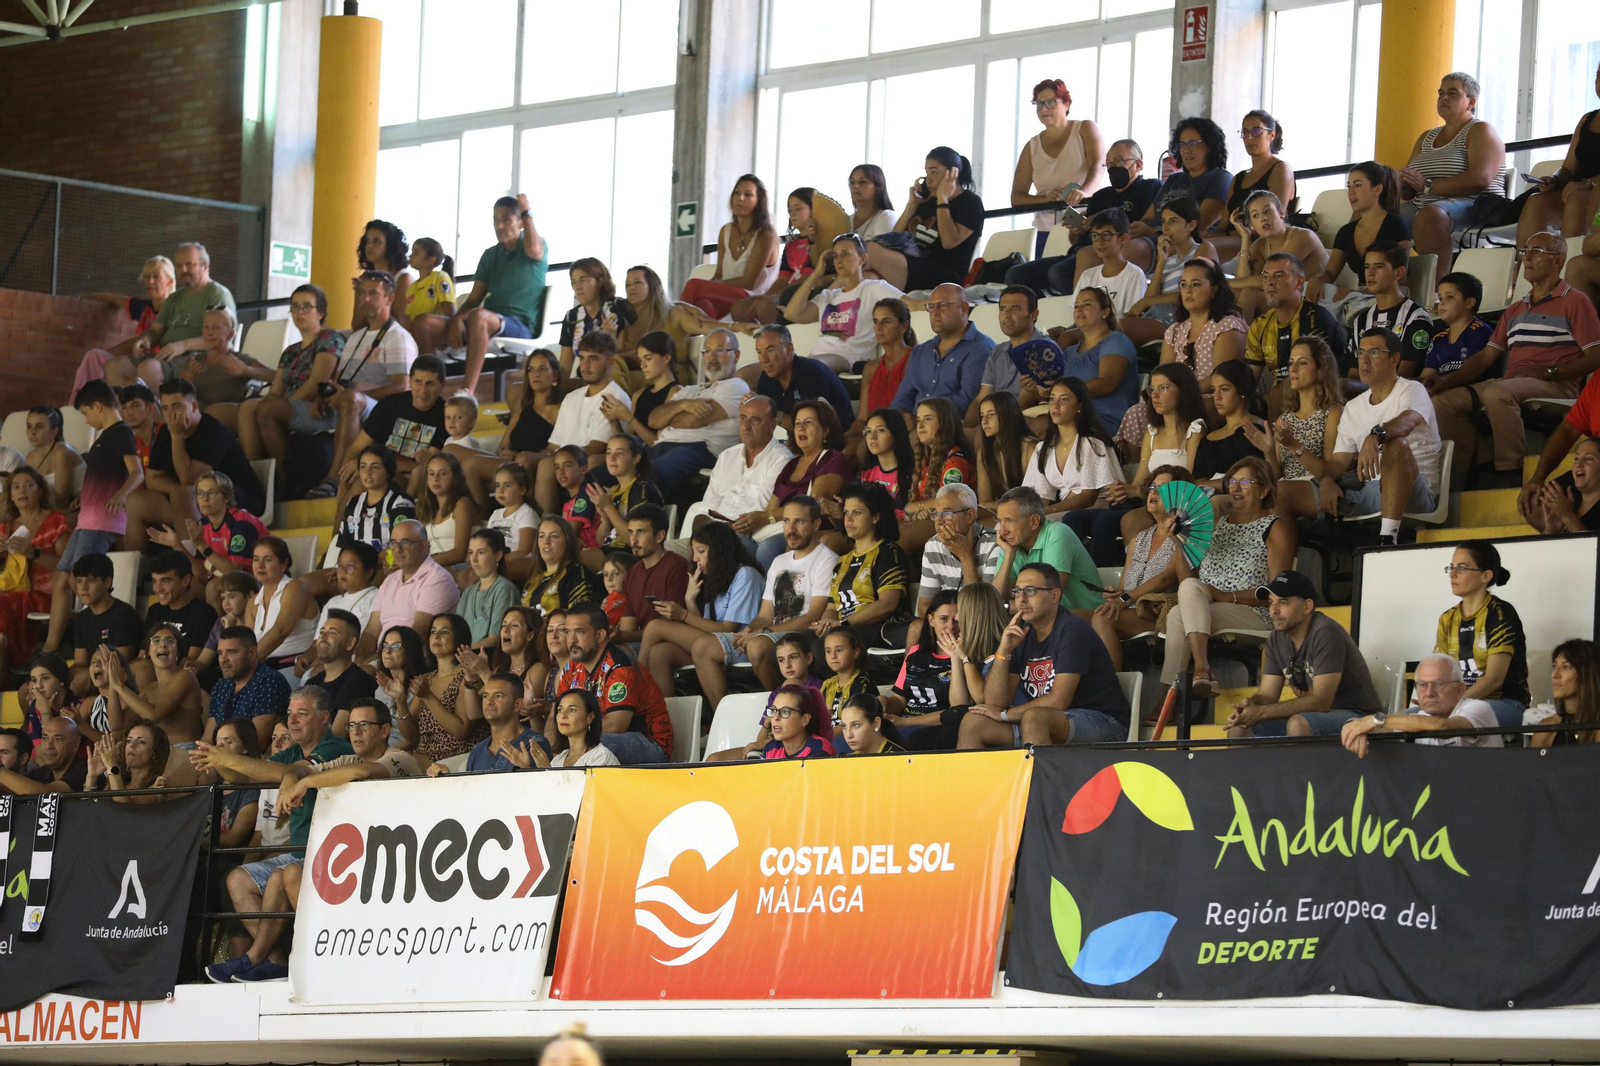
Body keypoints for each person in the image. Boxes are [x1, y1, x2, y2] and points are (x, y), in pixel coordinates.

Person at [194, 685, 353, 984]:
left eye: (302, 714)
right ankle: (276, 960)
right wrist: (218, 761)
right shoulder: (291, 752)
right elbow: (246, 776)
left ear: (324, 717)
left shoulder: (336, 747)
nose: (292, 720)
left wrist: (227, 759)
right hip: (298, 853)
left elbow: (292, 772)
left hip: (328, 855)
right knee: (237, 879)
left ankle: (261, 958)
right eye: (290, 714)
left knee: (279, 876)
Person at [1436, 233, 1600, 488]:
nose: (1527, 258)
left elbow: (1596, 355)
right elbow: (1486, 356)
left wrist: (1550, 371)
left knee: (1497, 393)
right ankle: (1475, 467)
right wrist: (1445, 382)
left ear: (1558, 260)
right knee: (1442, 402)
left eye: (1537, 251)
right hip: (1512, 382)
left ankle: (1510, 472)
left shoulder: (1575, 301)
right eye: (1525, 251)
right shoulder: (1515, 309)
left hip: (1556, 384)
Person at [1158, 457, 1294, 697]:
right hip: (1210, 606)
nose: (1235, 488)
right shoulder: (1219, 524)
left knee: (1179, 614)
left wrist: (1225, 596)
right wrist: (1178, 543)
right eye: (1231, 481)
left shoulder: (1275, 527)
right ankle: (1196, 676)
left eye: (1245, 482)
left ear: (1263, 490)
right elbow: (1189, 581)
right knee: (1181, 604)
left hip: (1255, 612)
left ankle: (1175, 692)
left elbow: (1279, 592)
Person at [960, 562, 1130, 747]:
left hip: (1103, 721)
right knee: (973, 723)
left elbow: (1058, 701)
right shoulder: (1021, 635)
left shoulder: (1072, 629)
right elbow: (995, 703)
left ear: (1054, 595)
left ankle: (1041, 768)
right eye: (1017, 592)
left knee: (1035, 718)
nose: (1021, 599)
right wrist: (1003, 651)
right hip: (1047, 720)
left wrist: (1006, 715)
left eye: (1030, 591)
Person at [702, 496, 838, 712]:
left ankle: (784, 707)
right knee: (703, 647)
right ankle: (723, 717)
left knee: (757, 647)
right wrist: (749, 631)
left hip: (801, 634)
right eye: (786, 521)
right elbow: (765, 614)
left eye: (799, 522)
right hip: (771, 634)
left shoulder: (826, 559)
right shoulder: (779, 562)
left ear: (816, 524)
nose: (791, 529)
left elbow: (813, 617)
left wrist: (762, 633)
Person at [42, 383, 141, 658]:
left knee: (82, 581)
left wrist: (121, 494)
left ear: (98, 406)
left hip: (101, 521)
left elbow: (137, 472)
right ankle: (51, 647)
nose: (86, 420)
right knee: (61, 580)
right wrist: (83, 500)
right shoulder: (104, 436)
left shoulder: (120, 432)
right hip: (88, 518)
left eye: (86, 413)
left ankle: (92, 639)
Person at [303, 270, 419, 500]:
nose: (365, 298)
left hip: (385, 411)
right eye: (362, 293)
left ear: (389, 299)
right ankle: (281, 486)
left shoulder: (397, 337)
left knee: (350, 398)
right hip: (349, 403)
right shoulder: (355, 338)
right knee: (270, 409)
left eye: (373, 293)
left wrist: (353, 394)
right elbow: (341, 381)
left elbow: (403, 388)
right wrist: (322, 398)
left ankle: (336, 478)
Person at [1226, 569, 1383, 737]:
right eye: (1271, 602)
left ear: (1307, 606)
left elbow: (1321, 702)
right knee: (1240, 727)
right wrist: (1250, 706)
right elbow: (1267, 695)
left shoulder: (1326, 632)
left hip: (1358, 716)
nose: (1273, 610)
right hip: (1315, 716)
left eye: (1283, 602)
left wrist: (1262, 712)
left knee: (1298, 724)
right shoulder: (1276, 639)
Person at [1118, 258, 1244, 456]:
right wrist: (1168, 393)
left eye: (1196, 284)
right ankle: (1144, 470)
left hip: (1213, 397)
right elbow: (1163, 375)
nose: (1188, 291)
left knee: (1191, 411)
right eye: (1184, 285)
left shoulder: (1227, 326)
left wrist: (1183, 394)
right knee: (1137, 413)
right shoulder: (1175, 330)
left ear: (1215, 289)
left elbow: (1223, 376)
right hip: (1176, 397)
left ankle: (1187, 467)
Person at [1005, 140, 1162, 296]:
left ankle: (1089, 304)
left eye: (1119, 161)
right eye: (1108, 163)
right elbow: (1076, 241)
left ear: (1138, 165)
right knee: (1015, 275)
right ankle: (1043, 307)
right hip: (1077, 253)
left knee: (1058, 273)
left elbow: (1141, 226)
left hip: (1106, 256)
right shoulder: (1101, 196)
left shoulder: (1151, 188)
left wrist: (1100, 219)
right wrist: (1077, 229)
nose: (1113, 167)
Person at [126, 378, 264, 553]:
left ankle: (192, 563)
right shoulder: (165, 433)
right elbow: (152, 479)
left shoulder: (213, 431)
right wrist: (176, 492)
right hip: (193, 500)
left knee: (184, 494)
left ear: (194, 406)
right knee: (134, 502)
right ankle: (134, 567)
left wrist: (177, 437)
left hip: (236, 497)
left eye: (176, 406)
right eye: (165, 408)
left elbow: (190, 480)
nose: (170, 414)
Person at [1397, 73, 1506, 272]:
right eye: (1441, 93)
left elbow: (1480, 179)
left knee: (1430, 216)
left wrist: (1428, 186)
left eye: (1453, 93)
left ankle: (1436, 287)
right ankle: (1382, 284)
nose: (1444, 98)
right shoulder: (1426, 137)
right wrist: (1402, 184)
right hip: (1425, 205)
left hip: (1474, 204)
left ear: (1471, 102)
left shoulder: (1481, 130)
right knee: (1376, 215)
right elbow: (1410, 191)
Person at [638, 523, 761, 698]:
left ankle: (633, 687)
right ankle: (664, 713)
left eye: (701, 551)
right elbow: (705, 626)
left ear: (720, 550)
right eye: (693, 552)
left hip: (739, 644)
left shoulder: (746, 575)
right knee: (659, 654)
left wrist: (683, 614)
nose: (695, 558)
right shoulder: (715, 579)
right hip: (713, 642)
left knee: (655, 627)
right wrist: (690, 600)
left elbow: (727, 629)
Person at [446, 193, 548, 398]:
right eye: (496, 220)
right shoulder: (490, 255)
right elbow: (473, 300)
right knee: (425, 323)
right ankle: (427, 388)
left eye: (506, 219)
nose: (499, 226)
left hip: (521, 326)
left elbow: (534, 250)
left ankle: (466, 393)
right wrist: (456, 319)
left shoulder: (536, 245)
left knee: (479, 316)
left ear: (520, 223)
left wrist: (527, 212)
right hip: (488, 320)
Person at [236, 283, 343, 478]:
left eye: (306, 306)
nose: (299, 312)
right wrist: (272, 401)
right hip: (287, 404)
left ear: (320, 312)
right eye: (295, 306)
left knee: (265, 409)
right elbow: (276, 390)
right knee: (246, 408)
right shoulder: (290, 351)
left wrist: (281, 404)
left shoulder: (328, 338)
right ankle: (251, 475)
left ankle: (282, 477)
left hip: (314, 406)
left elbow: (315, 383)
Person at [321, 355, 449, 517]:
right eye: (418, 382)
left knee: (379, 484)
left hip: (412, 479)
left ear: (442, 385)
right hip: (379, 470)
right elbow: (357, 449)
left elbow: (425, 465)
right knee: (355, 492)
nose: (423, 391)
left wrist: (380, 465)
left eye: (430, 384)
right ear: (410, 381)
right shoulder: (390, 404)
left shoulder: (446, 415)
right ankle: (339, 534)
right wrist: (343, 487)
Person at [1089, 466, 1189, 670]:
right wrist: (1116, 594)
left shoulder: (1185, 536)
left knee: (1102, 618)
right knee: (1067, 617)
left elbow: (1166, 579)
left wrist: (1124, 599)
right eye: (1152, 487)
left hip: (1157, 613)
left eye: (1163, 488)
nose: (1154, 492)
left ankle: (1112, 685)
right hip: (1130, 609)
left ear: (1180, 496)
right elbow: (1124, 587)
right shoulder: (1139, 538)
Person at [555, 603, 673, 764]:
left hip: (650, 743)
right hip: (592, 737)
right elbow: (555, 714)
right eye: (568, 632)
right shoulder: (571, 668)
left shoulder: (620, 667)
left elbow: (617, 725)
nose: (571, 640)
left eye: (579, 632)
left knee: (597, 747)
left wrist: (575, 732)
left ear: (600, 635)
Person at [1023, 378, 1125, 559]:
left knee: (1045, 526)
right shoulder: (1043, 448)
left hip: (1098, 509)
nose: (1055, 405)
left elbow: (1088, 497)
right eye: (1052, 399)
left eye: (1064, 399)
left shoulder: (1092, 443)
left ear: (1079, 406)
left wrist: (1046, 512)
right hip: (1065, 510)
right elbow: (1039, 497)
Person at [535, 332, 633, 514]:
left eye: (593, 359)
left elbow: (597, 447)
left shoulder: (615, 397)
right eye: (582, 358)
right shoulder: (572, 397)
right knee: (525, 462)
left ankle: (551, 521)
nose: (585, 366)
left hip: (587, 462)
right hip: (565, 459)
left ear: (610, 362)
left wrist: (557, 459)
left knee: (546, 466)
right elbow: (553, 445)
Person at [642, 332, 751, 496]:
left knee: (649, 473)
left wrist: (669, 417)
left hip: (700, 449)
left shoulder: (736, 386)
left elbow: (691, 421)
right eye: (707, 351)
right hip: (663, 446)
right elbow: (654, 420)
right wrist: (684, 404)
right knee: (617, 463)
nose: (712, 357)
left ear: (736, 355)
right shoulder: (689, 391)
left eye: (719, 350)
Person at [1435, 540, 1529, 729]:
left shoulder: (1501, 614)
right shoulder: (1447, 618)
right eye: (1451, 568)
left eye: (1461, 568)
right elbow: (1441, 672)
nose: (1452, 574)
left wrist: (1454, 705)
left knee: (1445, 724)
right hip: (1459, 705)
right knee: (1400, 722)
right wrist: (1433, 697)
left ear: (1486, 575)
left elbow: (1494, 679)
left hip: (1506, 703)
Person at [864, 147, 985, 292]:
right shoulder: (927, 200)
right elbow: (897, 236)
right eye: (927, 172)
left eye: (934, 172)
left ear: (953, 173)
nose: (928, 179)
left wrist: (943, 199)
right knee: (867, 278)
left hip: (943, 275)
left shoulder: (970, 203)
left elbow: (949, 242)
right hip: (911, 263)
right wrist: (911, 205)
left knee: (871, 250)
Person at [751, 399, 854, 569]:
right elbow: (771, 508)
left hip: (814, 529)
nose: (800, 428)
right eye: (797, 423)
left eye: (808, 422)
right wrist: (753, 520)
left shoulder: (834, 460)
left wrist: (766, 517)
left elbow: (812, 503)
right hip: (784, 527)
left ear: (825, 431)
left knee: (768, 548)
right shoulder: (791, 464)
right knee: (739, 541)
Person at [119, 243, 237, 389]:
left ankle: (164, 404)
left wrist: (182, 345)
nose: (183, 270)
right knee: (116, 366)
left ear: (205, 266)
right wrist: (146, 340)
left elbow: (222, 338)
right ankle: (127, 405)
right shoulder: (174, 298)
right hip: (167, 357)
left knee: (148, 369)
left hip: (199, 360)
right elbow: (155, 330)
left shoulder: (217, 294)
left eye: (189, 264)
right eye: (179, 266)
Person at [783, 232, 904, 375]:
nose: (839, 260)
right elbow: (791, 314)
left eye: (845, 254)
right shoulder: (828, 296)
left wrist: (928, 305)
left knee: (806, 369)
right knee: (767, 370)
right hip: (816, 359)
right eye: (835, 256)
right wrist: (816, 274)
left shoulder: (874, 288)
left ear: (862, 259)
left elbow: (911, 304)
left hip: (847, 358)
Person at [1011, 77, 1104, 256]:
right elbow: (1016, 197)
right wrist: (1044, 199)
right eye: (1039, 104)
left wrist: (1084, 192)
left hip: (1082, 227)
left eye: (1050, 102)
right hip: (1045, 231)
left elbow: (1099, 166)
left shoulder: (1084, 129)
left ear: (1066, 104)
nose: (1043, 109)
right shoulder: (1032, 146)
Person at [814, 482, 913, 649]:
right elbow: (832, 607)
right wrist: (826, 623)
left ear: (875, 517)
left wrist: (843, 624)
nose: (849, 519)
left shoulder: (888, 553)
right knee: (800, 643)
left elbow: (887, 605)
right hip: (845, 630)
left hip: (881, 630)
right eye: (846, 512)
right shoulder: (843, 561)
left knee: (819, 649)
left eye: (857, 513)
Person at [1341, 653, 1503, 754]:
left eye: (1439, 684)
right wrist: (1357, 727)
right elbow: (1387, 727)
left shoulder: (1478, 708)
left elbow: (1443, 727)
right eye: (1423, 685)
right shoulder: (1419, 717)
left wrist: (1374, 720)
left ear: (1460, 689)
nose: (1430, 692)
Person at [689, 396, 791, 555]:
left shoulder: (782, 459)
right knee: (668, 554)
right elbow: (708, 507)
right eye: (743, 418)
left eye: (755, 420)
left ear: (772, 424)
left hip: (744, 540)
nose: (746, 426)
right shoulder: (727, 456)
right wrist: (702, 535)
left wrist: (715, 534)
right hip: (711, 535)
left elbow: (759, 513)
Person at [674, 175, 780, 327]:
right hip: (726, 296)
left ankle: (673, 327)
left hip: (751, 298)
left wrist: (709, 286)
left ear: (759, 201)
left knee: (694, 285)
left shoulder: (765, 234)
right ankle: (706, 338)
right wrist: (712, 286)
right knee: (703, 304)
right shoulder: (726, 230)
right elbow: (719, 274)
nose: (740, 198)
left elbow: (749, 283)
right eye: (737, 193)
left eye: (748, 194)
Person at [1259, 337, 1345, 521]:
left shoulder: (1333, 413)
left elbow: (1332, 472)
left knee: (1276, 494)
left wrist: (1293, 445)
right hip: (1284, 489)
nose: (1293, 369)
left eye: (1302, 362)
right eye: (1291, 363)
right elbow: (1278, 475)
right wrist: (1269, 453)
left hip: (1317, 488)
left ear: (1321, 369)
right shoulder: (1285, 418)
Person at [70, 254, 177, 400]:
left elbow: (140, 340)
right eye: (146, 277)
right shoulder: (143, 306)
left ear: (170, 281)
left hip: (156, 366)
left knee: (107, 362)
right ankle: (78, 404)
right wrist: (81, 298)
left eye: (156, 277)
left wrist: (112, 352)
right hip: (133, 361)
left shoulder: (175, 309)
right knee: (94, 356)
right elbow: (113, 298)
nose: (150, 281)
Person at [0, 466, 70, 679]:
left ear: (40, 490)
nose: (22, 490)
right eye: (16, 487)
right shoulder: (4, 527)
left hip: (48, 594)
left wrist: (33, 553)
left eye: (28, 485)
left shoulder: (56, 520)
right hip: (11, 592)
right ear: (11, 495)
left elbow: (67, 565)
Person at [913, 483, 1004, 642]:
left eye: (947, 513)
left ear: (970, 516)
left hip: (982, 625)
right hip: (949, 621)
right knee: (915, 628)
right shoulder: (932, 545)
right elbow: (924, 607)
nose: (939, 521)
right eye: (935, 514)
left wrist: (966, 555)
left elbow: (982, 609)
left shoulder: (995, 544)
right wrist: (950, 621)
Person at [392, 613, 486, 767]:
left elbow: (460, 730)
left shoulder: (468, 675)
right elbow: (411, 735)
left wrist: (428, 696)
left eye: (445, 632)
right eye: (433, 631)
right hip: (423, 756)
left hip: (455, 757)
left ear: (458, 638)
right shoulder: (427, 679)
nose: (436, 636)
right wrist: (400, 701)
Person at [1517, 73, 1600, 247]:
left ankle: (1568, 261)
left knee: (1576, 198)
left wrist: (1587, 183)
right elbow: (1567, 168)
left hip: (1592, 194)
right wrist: (1554, 180)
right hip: (1577, 192)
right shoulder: (1587, 119)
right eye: (1598, 76)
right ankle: (1526, 262)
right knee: (1535, 202)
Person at [890, 283, 993, 420]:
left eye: (943, 305)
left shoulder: (981, 349)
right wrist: (902, 416)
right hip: (916, 424)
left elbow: (967, 401)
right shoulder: (920, 352)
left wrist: (924, 417)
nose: (935, 312)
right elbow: (902, 398)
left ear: (963, 308)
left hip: (952, 426)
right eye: (931, 306)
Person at [1243, 252, 1346, 387]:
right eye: (1266, 277)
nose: (1270, 282)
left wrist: (1269, 397)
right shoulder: (1259, 325)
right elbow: (1249, 381)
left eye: (1279, 276)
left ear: (1299, 282)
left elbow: (1310, 381)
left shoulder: (1316, 319)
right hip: (1279, 396)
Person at [991, 486, 1102, 610]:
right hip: (1048, 617)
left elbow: (1048, 601)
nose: (1003, 531)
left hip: (1087, 615)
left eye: (1009, 521)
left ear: (1034, 521)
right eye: (1000, 521)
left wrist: (1004, 607)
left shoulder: (1057, 534)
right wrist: (1008, 556)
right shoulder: (1011, 544)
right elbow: (995, 598)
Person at [360, 519, 460, 654]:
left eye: (405, 543)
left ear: (423, 546)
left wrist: (377, 661)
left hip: (412, 660)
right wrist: (360, 660)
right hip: (383, 657)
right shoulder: (389, 580)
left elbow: (419, 633)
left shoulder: (438, 579)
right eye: (393, 543)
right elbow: (371, 632)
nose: (397, 549)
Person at [102, 622, 204, 754]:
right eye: (156, 640)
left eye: (170, 641)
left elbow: (154, 715)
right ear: (148, 653)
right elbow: (117, 724)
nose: (162, 644)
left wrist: (120, 686)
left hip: (184, 753)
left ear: (178, 652)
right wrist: (112, 681)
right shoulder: (150, 689)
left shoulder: (185, 677)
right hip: (158, 755)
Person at [1316, 161, 1412, 298]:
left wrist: (1355, 294)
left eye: (1358, 185)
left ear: (1377, 190)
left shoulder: (1396, 224)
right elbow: (1330, 272)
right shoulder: (1346, 231)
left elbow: (1399, 278)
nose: (1351, 192)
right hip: (1359, 297)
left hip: (1388, 296)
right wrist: (1318, 281)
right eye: (1349, 186)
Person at [1229, 190, 1327, 320]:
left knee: (1248, 294)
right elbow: (1243, 279)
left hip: (1315, 298)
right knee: (1237, 292)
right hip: (1284, 296)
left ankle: (1237, 333)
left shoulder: (1303, 237)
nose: (1263, 218)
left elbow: (1274, 278)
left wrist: (1228, 282)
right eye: (1256, 215)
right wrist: (1245, 238)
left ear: (1281, 212)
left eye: (1267, 211)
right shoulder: (1260, 244)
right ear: (1252, 225)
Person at [964, 285, 1050, 430]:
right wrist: (964, 431)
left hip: (1022, 424)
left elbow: (1025, 401)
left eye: (1015, 309)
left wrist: (989, 429)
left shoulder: (1044, 349)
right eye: (1003, 309)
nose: (1007, 315)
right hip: (994, 421)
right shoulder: (997, 351)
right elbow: (981, 399)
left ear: (1034, 315)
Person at [319, 445, 415, 571]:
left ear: (387, 471)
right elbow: (345, 545)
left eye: (374, 467)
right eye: (363, 467)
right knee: (304, 581)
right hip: (353, 568)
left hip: (386, 567)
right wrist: (341, 567)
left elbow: (403, 546)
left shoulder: (400, 503)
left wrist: (365, 563)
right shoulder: (353, 503)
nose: (367, 472)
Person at [1219, 110, 1298, 264]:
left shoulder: (1280, 169)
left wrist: (1234, 234)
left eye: (1256, 131)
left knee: (1205, 251)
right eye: (1245, 132)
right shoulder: (1239, 177)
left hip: (1255, 241)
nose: (1249, 137)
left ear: (1271, 135)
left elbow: (1274, 220)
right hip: (1232, 237)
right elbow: (1223, 224)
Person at [1059, 287, 1139, 435]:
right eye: (1076, 306)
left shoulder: (1116, 341)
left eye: (1087, 304)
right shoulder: (1069, 352)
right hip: (1071, 416)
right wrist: (1040, 389)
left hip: (1105, 420)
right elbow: (1056, 389)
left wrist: (1064, 391)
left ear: (1105, 312)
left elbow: (1107, 384)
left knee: (1041, 426)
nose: (1079, 310)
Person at [1348, 241, 1434, 376]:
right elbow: (1353, 373)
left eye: (1378, 267)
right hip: (1365, 388)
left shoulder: (1416, 317)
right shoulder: (1360, 320)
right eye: (1367, 267)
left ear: (1398, 272)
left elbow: (1405, 375)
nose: (1370, 273)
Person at [61, 552, 142, 696]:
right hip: (96, 673)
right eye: (79, 581)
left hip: (119, 681)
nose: (83, 588)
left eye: (91, 581)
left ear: (107, 582)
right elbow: (80, 663)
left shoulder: (123, 614)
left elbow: (122, 662)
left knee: (80, 680)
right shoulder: (82, 618)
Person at [900, 397, 974, 551]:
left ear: (945, 423)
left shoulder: (955, 460)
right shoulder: (926, 460)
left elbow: (947, 504)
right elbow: (908, 508)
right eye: (918, 420)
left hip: (952, 522)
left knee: (900, 540)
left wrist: (917, 509)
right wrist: (917, 513)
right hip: (932, 519)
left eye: (927, 419)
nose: (920, 425)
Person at [845, 300, 917, 461]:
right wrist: (848, 435)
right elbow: (862, 418)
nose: (878, 327)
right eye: (876, 321)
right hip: (873, 434)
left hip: (902, 432)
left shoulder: (915, 358)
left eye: (886, 321)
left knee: (856, 452)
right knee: (842, 451)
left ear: (904, 326)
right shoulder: (870, 368)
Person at [750, 324, 855, 431]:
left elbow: (809, 429)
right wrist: (751, 406)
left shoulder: (813, 373)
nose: (763, 359)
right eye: (759, 352)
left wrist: (772, 413)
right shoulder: (766, 378)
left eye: (770, 351)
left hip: (837, 438)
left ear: (789, 349)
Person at [205, 626, 291, 749]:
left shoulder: (270, 682)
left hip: (251, 759)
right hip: (220, 755)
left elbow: (256, 744)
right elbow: (208, 738)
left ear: (252, 653)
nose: (223, 659)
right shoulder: (222, 685)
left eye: (231, 652)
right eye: (220, 653)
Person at [178, 307, 274, 416]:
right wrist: (188, 378)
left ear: (230, 334)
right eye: (206, 327)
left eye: (216, 327)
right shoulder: (193, 360)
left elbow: (277, 376)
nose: (209, 332)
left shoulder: (238, 360)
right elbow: (177, 398)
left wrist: (246, 370)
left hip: (224, 417)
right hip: (194, 418)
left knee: (214, 411)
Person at [614, 504, 689, 644]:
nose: (633, 540)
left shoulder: (676, 565)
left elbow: (672, 626)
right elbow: (628, 628)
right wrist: (617, 636)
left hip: (669, 644)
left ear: (660, 536)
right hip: (641, 643)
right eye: (631, 532)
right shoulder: (631, 574)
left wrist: (624, 637)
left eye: (641, 532)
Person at [885, 590, 960, 724]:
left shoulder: (968, 657)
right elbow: (900, 699)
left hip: (939, 727)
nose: (951, 626)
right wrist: (882, 702)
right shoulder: (915, 653)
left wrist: (906, 723)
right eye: (944, 619)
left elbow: (958, 710)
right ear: (931, 620)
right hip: (905, 724)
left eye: (957, 620)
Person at [1192, 361, 1267, 493]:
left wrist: (1214, 484)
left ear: (1242, 391)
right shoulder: (1209, 440)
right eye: (1214, 390)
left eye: (1224, 389)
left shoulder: (1252, 430)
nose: (1217, 397)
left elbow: (1248, 479)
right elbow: (1196, 482)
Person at [301, 610, 378, 736]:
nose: (323, 636)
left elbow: (337, 736)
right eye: (321, 632)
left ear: (350, 643)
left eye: (332, 632)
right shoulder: (311, 684)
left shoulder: (361, 683)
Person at [558, 258, 636, 380]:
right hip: (584, 377)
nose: (577, 287)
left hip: (614, 372)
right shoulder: (571, 316)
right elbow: (565, 366)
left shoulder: (619, 307)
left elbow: (635, 350)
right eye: (573, 282)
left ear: (599, 281)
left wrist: (610, 341)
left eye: (583, 280)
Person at [246, 536, 316, 668]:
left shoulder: (296, 588)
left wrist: (245, 665)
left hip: (294, 664)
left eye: (268, 560)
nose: (260, 565)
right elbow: (247, 643)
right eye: (256, 559)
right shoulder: (252, 602)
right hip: (262, 665)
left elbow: (281, 631)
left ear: (283, 564)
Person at [1420, 272, 1495, 393]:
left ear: (1469, 303)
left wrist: (1440, 383)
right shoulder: (1438, 339)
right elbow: (1427, 375)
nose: (1442, 303)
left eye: (1449, 297)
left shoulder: (1480, 332)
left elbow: (1471, 373)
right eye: (1440, 298)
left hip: (1469, 391)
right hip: (1440, 390)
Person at [617, 266, 691, 382]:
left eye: (637, 282)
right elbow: (617, 358)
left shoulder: (673, 314)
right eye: (627, 284)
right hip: (632, 379)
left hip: (668, 379)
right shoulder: (626, 326)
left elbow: (705, 327)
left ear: (652, 286)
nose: (631, 287)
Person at [607, 332, 681, 446]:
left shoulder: (676, 393)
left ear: (666, 358)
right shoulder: (638, 395)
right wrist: (614, 422)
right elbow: (629, 443)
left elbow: (661, 444)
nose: (642, 365)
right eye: (640, 360)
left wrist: (629, 417)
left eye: (648, 358)